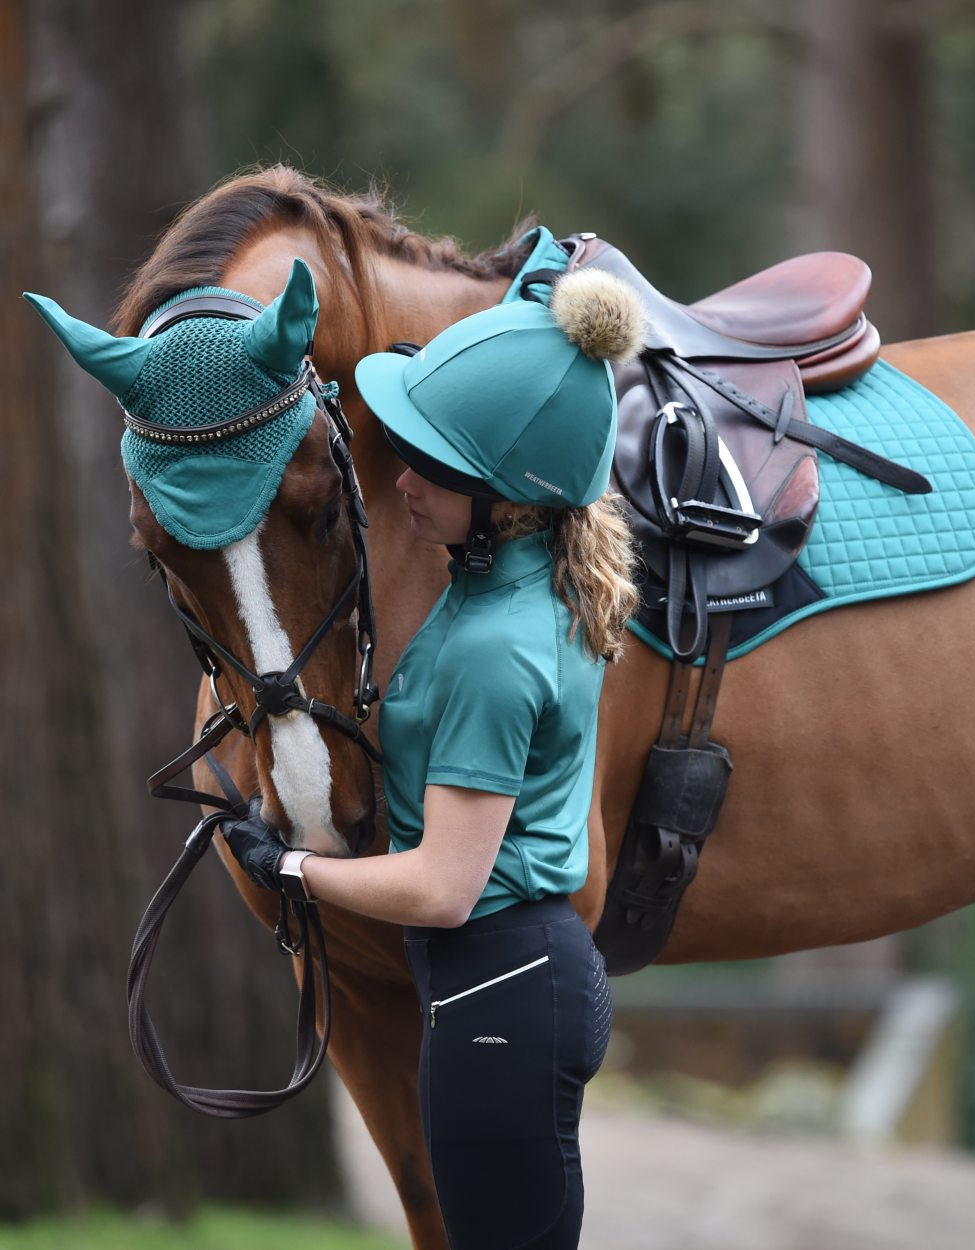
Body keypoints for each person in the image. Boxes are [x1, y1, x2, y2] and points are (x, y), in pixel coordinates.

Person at [221, 266, 645, 1249]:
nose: (402, 481)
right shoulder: (512, 583)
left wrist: (290, 867)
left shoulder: (497, 648)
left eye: (435, 468)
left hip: (497, 986)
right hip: (505, 984)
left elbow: (447, 884)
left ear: (507, 494)